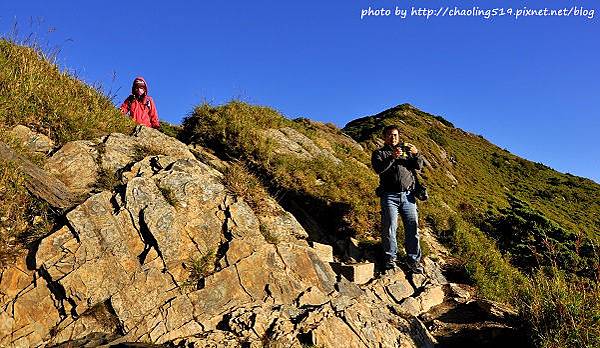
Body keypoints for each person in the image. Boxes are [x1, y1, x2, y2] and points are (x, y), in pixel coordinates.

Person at [371, 125, 424, 273]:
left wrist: (416, 153)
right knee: (389, 227)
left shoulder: (406, 152)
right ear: (384, 137)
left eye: (395, 135)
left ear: (398, 137)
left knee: (412, 228)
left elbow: (418, 166)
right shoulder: (379, 153)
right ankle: (390, 259)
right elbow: (378, 169)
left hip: (408, 196)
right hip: (389, 195)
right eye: (389, 135)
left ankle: (413, 261)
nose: (392, 137)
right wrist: (392, 157)